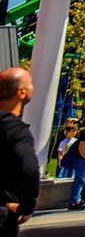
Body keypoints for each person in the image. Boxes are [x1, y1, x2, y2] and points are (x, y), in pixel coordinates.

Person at [0, 68, 38, 237]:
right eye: (30, 83)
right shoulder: (15, 130)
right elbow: (29, 170)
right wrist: (26, 207)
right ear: (21, 92)